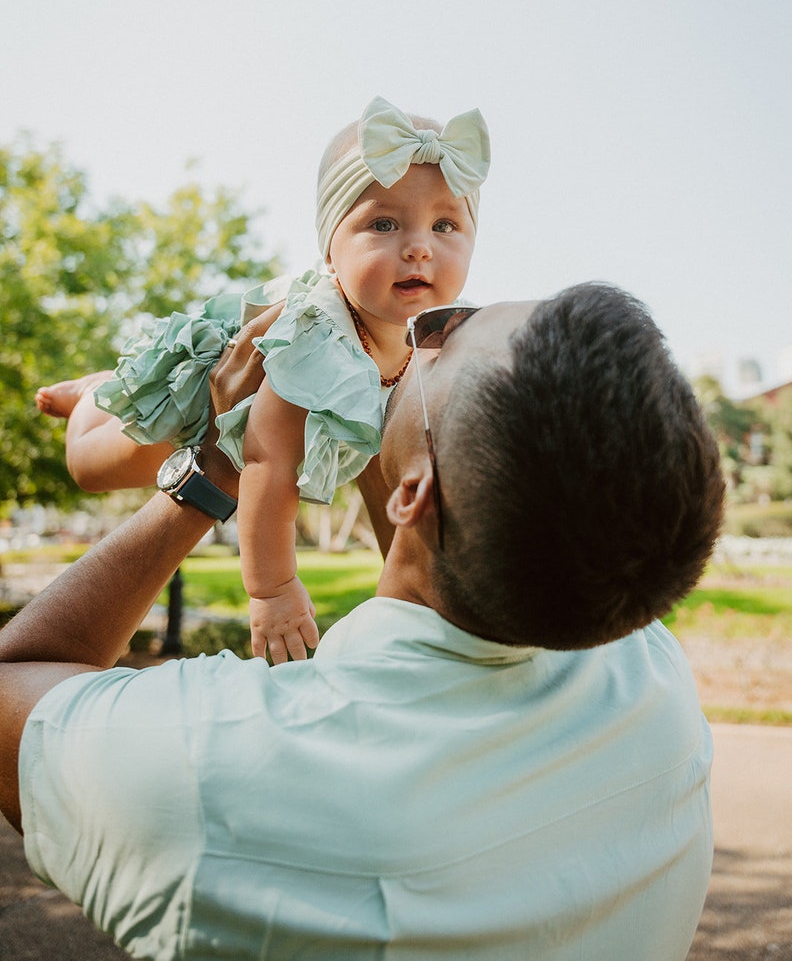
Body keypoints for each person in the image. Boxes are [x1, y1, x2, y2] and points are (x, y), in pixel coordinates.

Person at [0, 281, 724, 960]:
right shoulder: (651, 682)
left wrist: (220, 461)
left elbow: (15, 679)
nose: (423, 327)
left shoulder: (219, 766)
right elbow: (436, 545)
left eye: (442, 337)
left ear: (420, 493)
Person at [35, 95, 490, 663]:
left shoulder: (455, 333)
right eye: (384, 223)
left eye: (446, 223)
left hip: (276, 429)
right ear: (330, 251)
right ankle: (92, 397)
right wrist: (273, 590)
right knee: (90, 464)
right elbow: (266, 461)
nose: (420, 246)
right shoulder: (317, 335)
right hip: (204, 404)